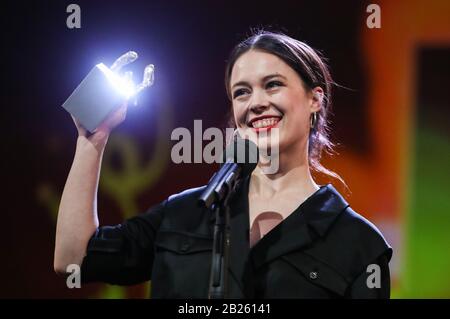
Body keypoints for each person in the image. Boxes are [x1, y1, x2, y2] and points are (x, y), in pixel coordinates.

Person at [54, 30, 392, 298]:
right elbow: (73, 260)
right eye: (242, 92)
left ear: (314, 99)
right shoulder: (186, 214)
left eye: (272, 85)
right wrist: (91, 140)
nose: (257, 102)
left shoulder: (358, 244)